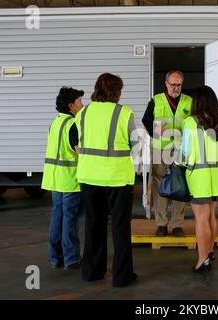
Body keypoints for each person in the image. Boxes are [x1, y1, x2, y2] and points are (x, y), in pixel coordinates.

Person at [76, 73, 138, 287]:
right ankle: (122, 277)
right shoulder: (125, 113)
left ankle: (92, 272)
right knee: (120, 228)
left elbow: (80, 141)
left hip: (89, 177)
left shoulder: (83, 113)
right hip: (117, 179)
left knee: (94, 225)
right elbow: (136, 145)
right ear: (117, 91)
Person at [181, 85, 218, 272]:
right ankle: (209, 252)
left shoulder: (190, 122)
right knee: (211, 216)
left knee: (201, 218)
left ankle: (202, 260)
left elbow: (185, 152)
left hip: (200, 177)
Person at [142, 71, 192, 237]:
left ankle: (177, 224)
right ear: (166, 83)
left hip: (181, 150)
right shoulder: (156, 100)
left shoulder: (189, 101)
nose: (175, 88)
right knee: (159, 187)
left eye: (178, 85)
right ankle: (161, 223)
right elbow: (146, 121)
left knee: (180, 186)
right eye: (172, 84)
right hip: (160, 149)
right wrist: (156, 131)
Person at [41, 86, 84, 270]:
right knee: (70, 220)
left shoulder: (55, 122)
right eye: (79, 101)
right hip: (70, 181)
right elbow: (79, 153)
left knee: (57, 218)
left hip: (54, 180)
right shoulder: (73, 125)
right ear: (70, 105)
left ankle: (55, 258)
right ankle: (71, 258)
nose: (82, 104)